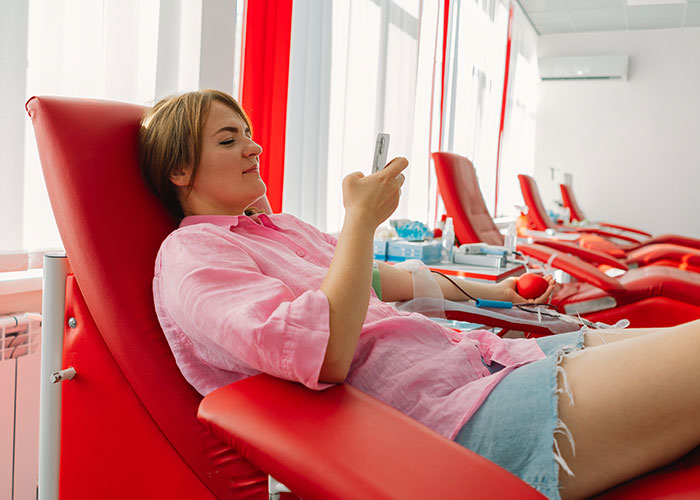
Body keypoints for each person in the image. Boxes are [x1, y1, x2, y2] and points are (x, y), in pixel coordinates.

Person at [139, 89, 700, 500]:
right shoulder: (192, 258)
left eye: (249, 132)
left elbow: (383, 280)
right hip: (451, 423)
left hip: (488, 363)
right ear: (181, 169)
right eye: (228, 138)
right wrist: (360, 221)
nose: (254, 146)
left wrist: (496, 289)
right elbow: (325, 354)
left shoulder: (278, 229)